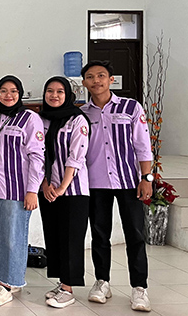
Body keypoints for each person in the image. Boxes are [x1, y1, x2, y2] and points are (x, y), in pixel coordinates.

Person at [80, 60, 153, 312]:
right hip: (95, 183)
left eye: (101, 76)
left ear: (111, 79)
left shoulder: (131, 107)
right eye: (90, 77)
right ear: (84, 83)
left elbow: (143, 144)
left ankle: (139, 288)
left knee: (135, 234)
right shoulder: (82, 114)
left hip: (128, 182)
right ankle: (102, 282)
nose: (96, 81)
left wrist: (146, 178)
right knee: (100, 235)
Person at [0, 75, 45, 306]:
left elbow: (37, 156)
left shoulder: (30, 119)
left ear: (20, 94)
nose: (8, 95)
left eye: (13, 91)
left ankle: (8, 284)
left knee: (13, 237)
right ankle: (8, 278)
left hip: (17, 188)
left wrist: (32, 190)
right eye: (3, 91)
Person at [38, 76, 91, 308]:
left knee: (71, 238)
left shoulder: (77, 120)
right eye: (50, 91)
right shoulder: (41, 120)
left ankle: (69, 288)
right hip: (48, 188)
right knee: (54, 236)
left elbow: (76, 156)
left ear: (68, 95)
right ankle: (61, 283)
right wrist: (45, 184)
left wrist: (61, 186)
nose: (54, 95)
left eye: (60, 91)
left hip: (73, 190)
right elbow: (37, 154)